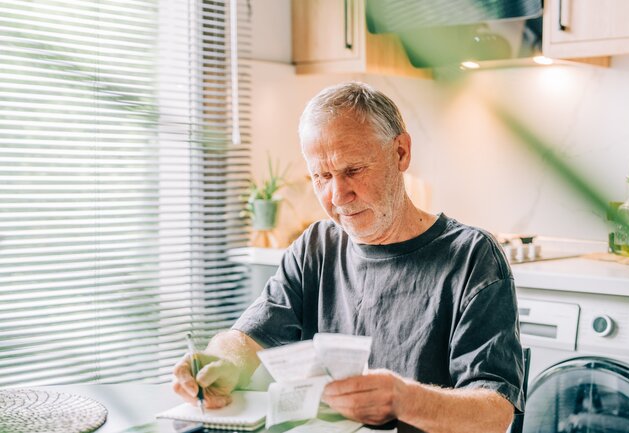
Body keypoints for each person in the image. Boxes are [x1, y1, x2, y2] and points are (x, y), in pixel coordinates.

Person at [172, 82, 524, 433]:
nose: (338, 195)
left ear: (401, 153)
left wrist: (404, 399)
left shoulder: (472, 257)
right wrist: (220, 362)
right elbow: (247, 338)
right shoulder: (316, 246)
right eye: (321, 176)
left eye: (353, 170)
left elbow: (494, 413)